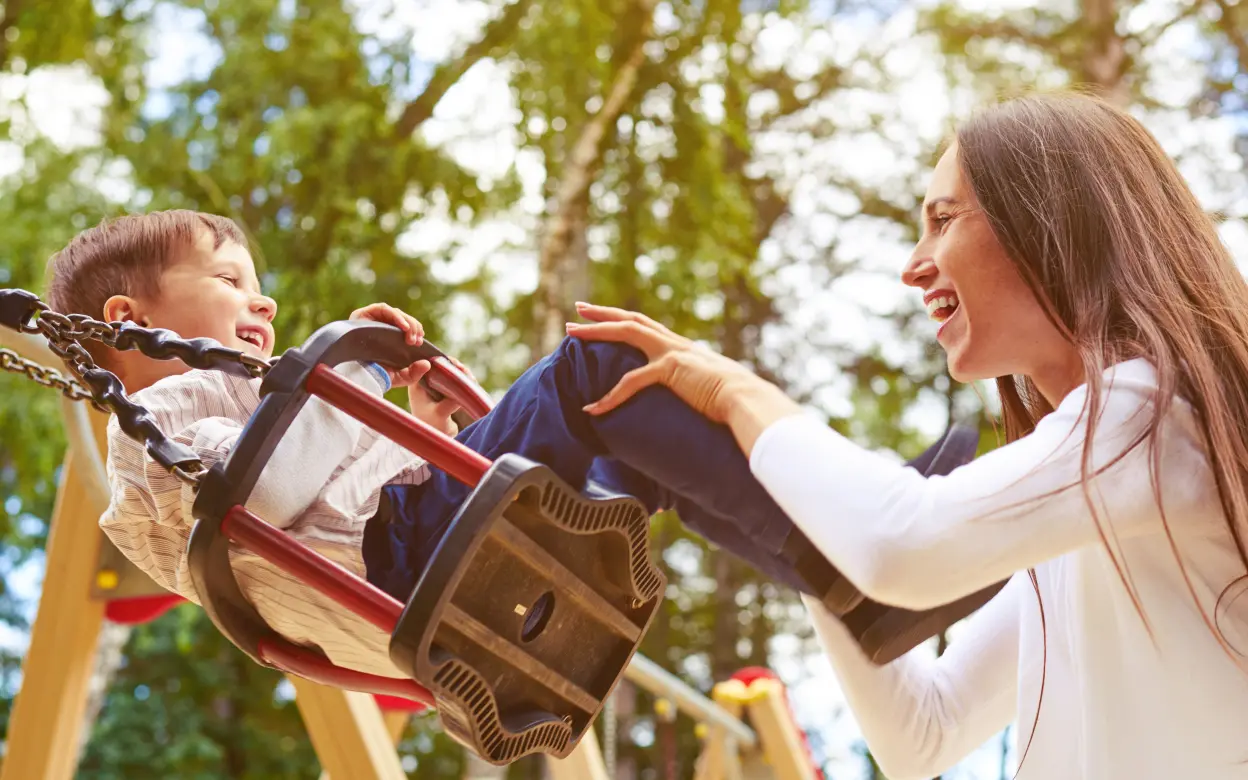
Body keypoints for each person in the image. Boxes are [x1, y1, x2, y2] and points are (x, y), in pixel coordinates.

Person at [567, 90, 1248, 779]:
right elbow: (925, 733)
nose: (913, 265)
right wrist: (800, 532)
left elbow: (905, 546)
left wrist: (736, 393)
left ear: (1053, 223)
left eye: (943, 220)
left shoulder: (1155, 414)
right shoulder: (1097, 506)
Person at [46, 210, 971, 681]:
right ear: (128, 319)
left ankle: (849, 575)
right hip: (410, 556)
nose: (264, 300)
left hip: (414, 549)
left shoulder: (247, 400)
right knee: (600, 366)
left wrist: (429, 427)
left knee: (639, 436)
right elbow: (264, 496)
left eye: (258, 283)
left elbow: (327, 493)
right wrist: (350, 369)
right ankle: (856, 542)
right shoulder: (161, 414)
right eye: (227, 279)